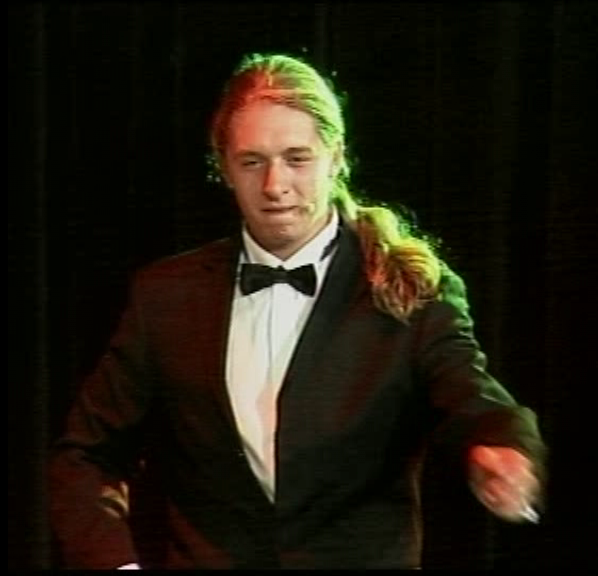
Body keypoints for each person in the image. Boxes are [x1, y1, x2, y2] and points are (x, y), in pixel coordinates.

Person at [47, 52, 547, 569]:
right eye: (252, 161)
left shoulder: (410, 290)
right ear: (223, 167)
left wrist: (502, 451)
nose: (275, 185)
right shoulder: (167, 296)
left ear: (337, 156)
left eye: (297, 158)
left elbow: (473, 400)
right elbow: (84, 455)